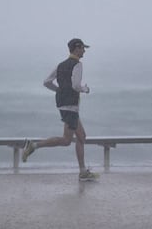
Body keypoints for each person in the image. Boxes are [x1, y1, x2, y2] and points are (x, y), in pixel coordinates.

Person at [22, 38, 98, 181]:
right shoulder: (78, 65)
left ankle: (83, 172)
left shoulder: (60, 65)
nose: (84, 51)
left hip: (63, 104)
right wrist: (85, 89)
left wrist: (59, 90)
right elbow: (76, 85)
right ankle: (34, 145)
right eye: (83, 48)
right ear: (76, 48)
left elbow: (46, 82)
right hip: (71, 105)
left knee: (81, 137)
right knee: (66, 140)